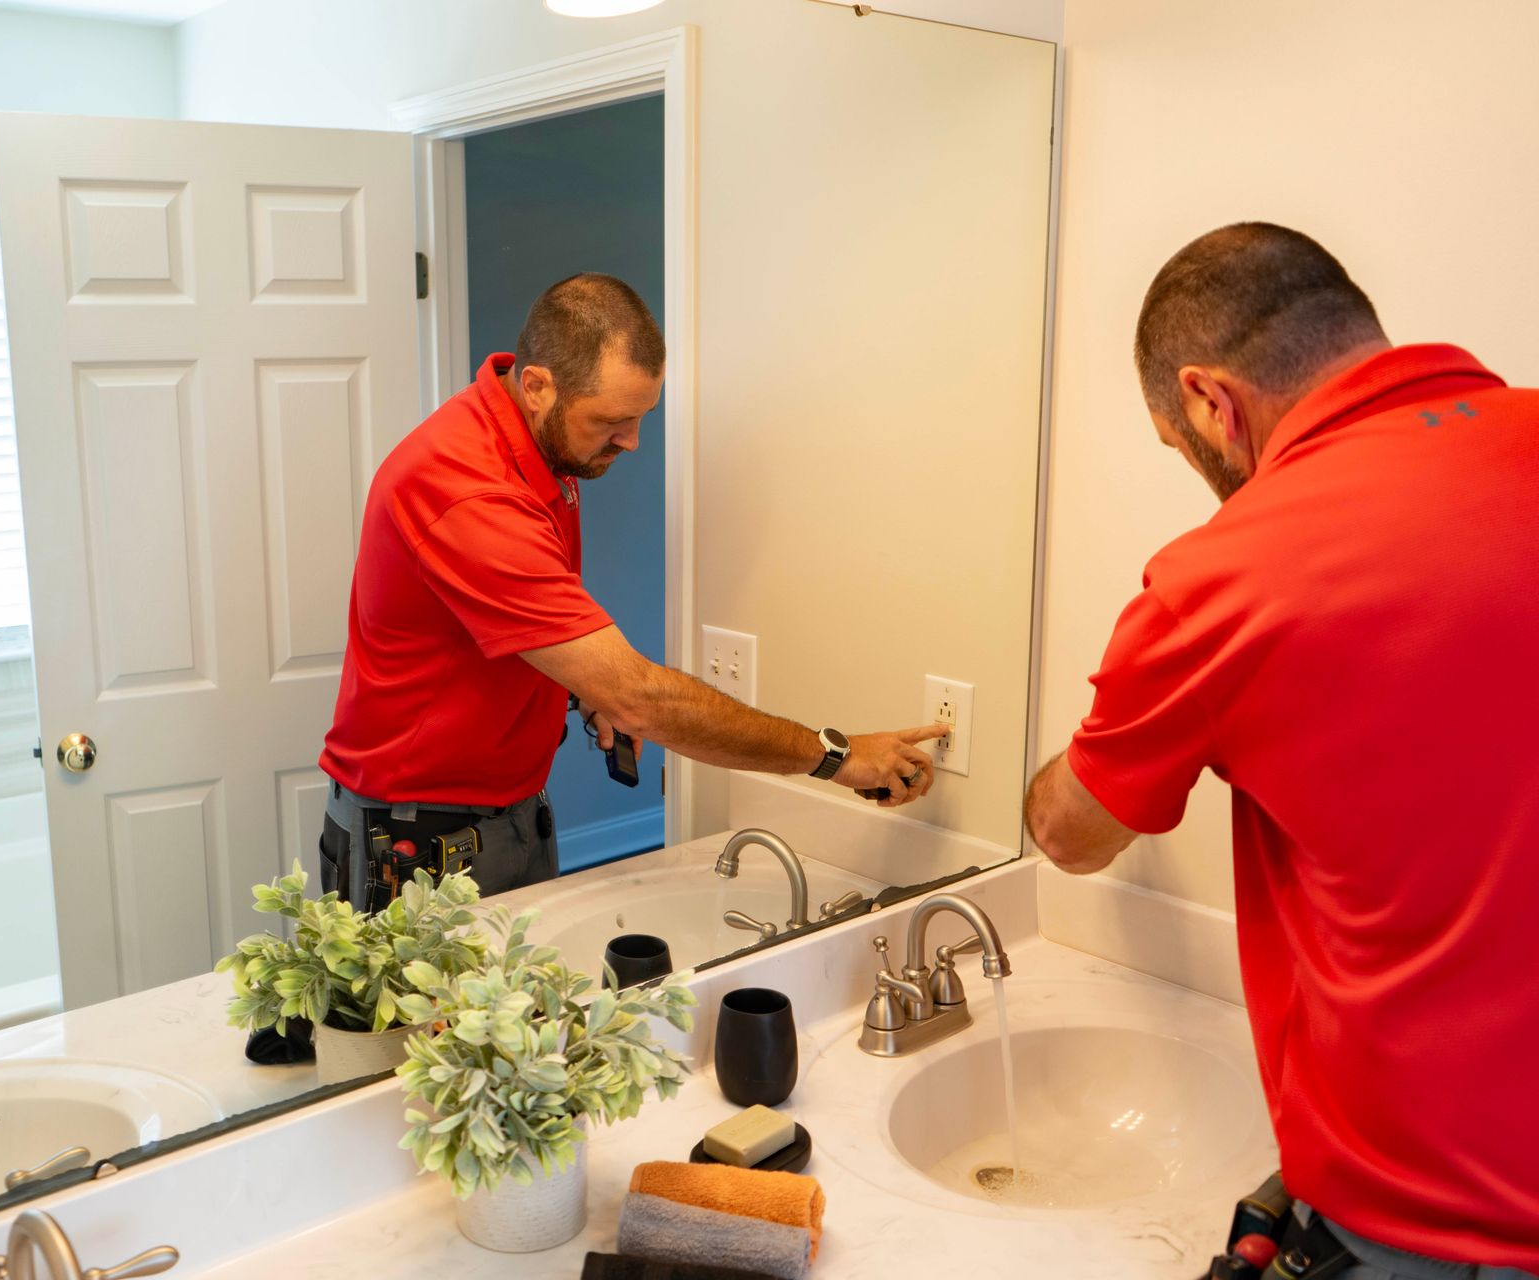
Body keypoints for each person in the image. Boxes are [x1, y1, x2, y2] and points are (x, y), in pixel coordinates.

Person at [1023, 224, 1538, 1276]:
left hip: (1433, 1218)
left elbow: (1072, 834)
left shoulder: (1222, 580)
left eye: (1181, 446)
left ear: (1212, 401)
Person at [317, 272, 947, 909]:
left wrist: (582, 687)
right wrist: (835, 756)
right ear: (536, 385)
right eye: (611, 421)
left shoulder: (533, 448)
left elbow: (498, 624)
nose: (632, 441)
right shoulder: (467, 489)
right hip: (416, 846)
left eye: (641, 417)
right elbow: (640, 697)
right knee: (424, 1017)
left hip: (510, 813)